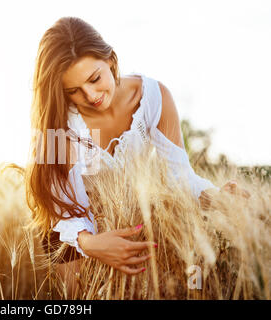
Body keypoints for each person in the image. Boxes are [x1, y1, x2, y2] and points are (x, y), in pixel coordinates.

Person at [24, 16, 250, 296]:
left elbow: (179, 179)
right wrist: (91, 244)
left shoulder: (153, 97)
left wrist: (215, 198)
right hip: (71, 235)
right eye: (73, 91)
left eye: (95, 78)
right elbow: (63, 208)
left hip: (129, 224)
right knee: (81, 298)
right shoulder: (58, 122)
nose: (91, 95)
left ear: (111, 60)